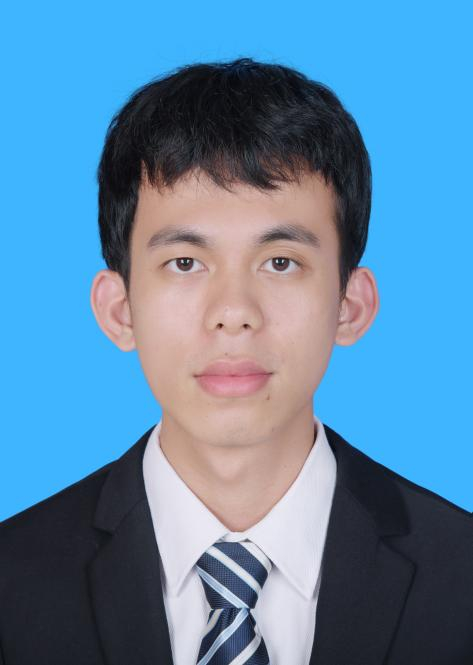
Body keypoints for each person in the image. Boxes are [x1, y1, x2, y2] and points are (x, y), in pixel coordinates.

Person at [0, 57, 472, 665]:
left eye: (280, 262)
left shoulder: (460, 577)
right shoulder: (13, 583)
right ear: (119, 310)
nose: (233, 313)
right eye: (185, 263)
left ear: (350, 306)